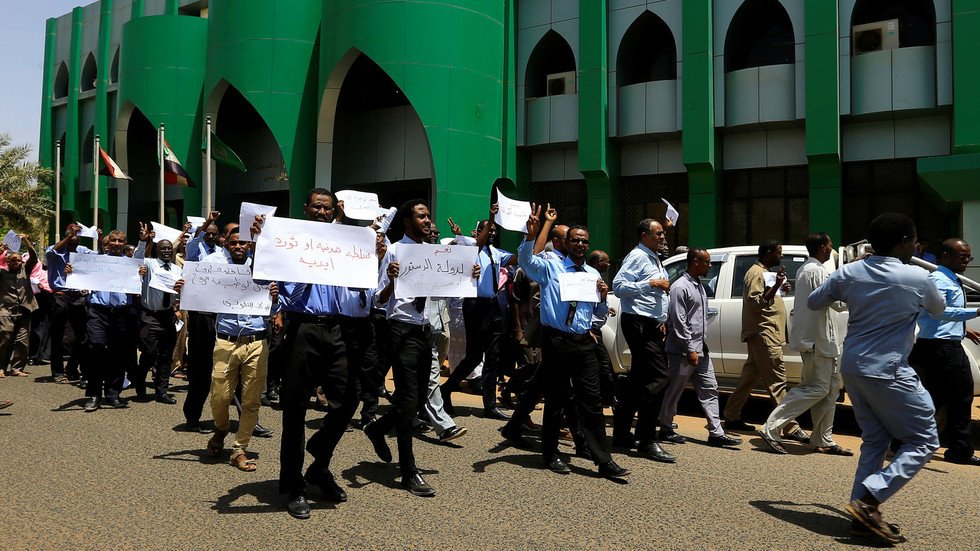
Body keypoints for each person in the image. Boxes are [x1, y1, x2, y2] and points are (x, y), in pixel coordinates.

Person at [809, 212, 945, 545]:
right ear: (905, 242)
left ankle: (861, 519)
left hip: (853, 366)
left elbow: (815, 302)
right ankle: (869, 501)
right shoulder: (918, 276)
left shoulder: (849, 271)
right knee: (924, 440)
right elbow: (938, 309)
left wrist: (850, 285)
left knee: (875, 440)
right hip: (888, 369)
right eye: (914, 242)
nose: (916, 247)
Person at [365, 198, 480, 497]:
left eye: (428, 216)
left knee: (417, 399)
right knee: (407, 399)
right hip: (400, 329)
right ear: (407, 221)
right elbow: (377, 298)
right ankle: (408, 471)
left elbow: (447, 289)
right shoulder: (394, 251)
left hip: (425, 329)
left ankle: (378, 428)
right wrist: (392, 281)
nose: (428, 221)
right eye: (421, 216)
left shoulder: (434, 253)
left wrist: (468, 276)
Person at [256, 189, 355, 519]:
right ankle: (294, 486)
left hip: (336, 327)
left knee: (347, 401)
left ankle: (319, 463)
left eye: (327, 208)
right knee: (295, 409)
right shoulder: (288, 242)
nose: (322, 212)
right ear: (306, 208)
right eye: (316, 206)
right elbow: (278, 293)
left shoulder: (343, 243)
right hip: (302, 328)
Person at [513, 203, 629, 478]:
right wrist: (532, 234)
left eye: (584, 241)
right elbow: (526, 262)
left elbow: (597, 314)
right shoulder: (551, 267)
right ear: (566, 243)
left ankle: (603, 460)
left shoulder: (592, 274)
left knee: (591, 400)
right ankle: (551, 453)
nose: (579, 245)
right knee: (556, 399)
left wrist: (602, 298)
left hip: (584, 342)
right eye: (575, 240)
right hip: (557, 341)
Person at [175, 228, 279, 471]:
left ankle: (239, 448)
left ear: (249, 245)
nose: (238, 246)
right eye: (234, 243)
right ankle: (221, 429)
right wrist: (184, 290)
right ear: (226, 245)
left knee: (252, 400)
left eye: (243, 243)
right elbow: (200, 299)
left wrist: (275, 299)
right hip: (226, 341)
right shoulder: (216, 269)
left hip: (256, 341)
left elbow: (275, 308)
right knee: (219, 396)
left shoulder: (262, 269)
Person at [757, 233, 851, 455]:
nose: (831, 250)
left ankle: (823, 439)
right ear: (822, 247)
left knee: (830, 390)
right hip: (817, 340)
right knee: (816, 388)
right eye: (829, 246)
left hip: (824, 341)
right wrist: (858, 297)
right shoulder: (815, 271)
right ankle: (771, 428)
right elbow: (833, 302)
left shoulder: (810, 269)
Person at [723, 240, 808, 443]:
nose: (781, 255)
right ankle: (790, 427)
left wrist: (781, 288)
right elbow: (755, 303)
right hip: (764, 334)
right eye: (779, 252)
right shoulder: (756, 273)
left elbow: (768, 298)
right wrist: (776, 285)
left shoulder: (766, 273)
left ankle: (731, 416)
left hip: (767, 333)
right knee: (777, 381)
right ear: (768, 252)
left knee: (748, 380)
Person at [659, 248, 742, 448]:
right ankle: (666, 427)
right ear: (695, 262)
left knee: (710, 388)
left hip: (700, 349)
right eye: (707, 262)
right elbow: (679, 322)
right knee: (675, 390)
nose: (709, 266)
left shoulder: (699, 286)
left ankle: (716, 433)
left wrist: (697, 348)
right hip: (683, 350)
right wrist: (689, 349)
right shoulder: (680, 287)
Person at [909, 238, 980, 466]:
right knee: (958, 397)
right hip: (941, 348)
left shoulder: (949, 278)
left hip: (939, 345)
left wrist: (963, 329)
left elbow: (939, 316)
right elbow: (937, 311)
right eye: (962, 257)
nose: (966, 261)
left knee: (936, 399)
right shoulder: (939, 280)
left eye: (969, 257)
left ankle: (904, 444)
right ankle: (959, 450)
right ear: (946, 256)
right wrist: (975, 312)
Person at [610, 219, 675, 463]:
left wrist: (660, 318)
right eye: (658, 233)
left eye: (663, 233)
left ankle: (621, 433)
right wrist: (651, 283)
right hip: (637, 323)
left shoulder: (654, 257)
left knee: (638, 379)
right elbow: (619, 287)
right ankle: (647, 439)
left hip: (650, 324)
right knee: (659, 378)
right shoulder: (637, 256)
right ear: (645, 235)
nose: (663, 237)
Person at [441, 207, 515, 420]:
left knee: (493, 357)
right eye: (487, 229)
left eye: (494, 230)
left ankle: (489, 406)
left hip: (493, 306)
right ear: (479, 232)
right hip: (475, 306)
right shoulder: (471, 249)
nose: (492, 232)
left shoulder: (497, 253)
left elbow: (520, 259)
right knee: (473, 357)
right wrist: (491, 218)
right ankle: (446, 389)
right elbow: (478, 243)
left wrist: (530, 235)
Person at [69, 230, 142, 411]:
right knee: (96, 348)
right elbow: (76, 277)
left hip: (121, 313)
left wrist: (141, 274)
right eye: (114, 240)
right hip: (98, 312)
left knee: (118, 353)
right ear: (108, 243)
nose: (117, 243)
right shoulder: (95, 262)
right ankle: (94, 394)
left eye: (121, 241)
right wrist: (71, 272)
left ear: (125, 243)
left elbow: (139, 285)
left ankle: (113, 394)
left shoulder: (132, 265)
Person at [45, 224, 94, 383]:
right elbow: (51, 252)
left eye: (76, 241)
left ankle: (72, 368)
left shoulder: (82, 251)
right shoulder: (55, 251)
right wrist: (67, 238)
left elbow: (99, 258)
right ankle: (58, 372)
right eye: (71, 241)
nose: (74, 245)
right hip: (60, 297)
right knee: (58, 336)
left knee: (82, 336)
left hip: (78, 297)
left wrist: (99, 239)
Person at [136, 239, 179, 404]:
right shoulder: (149, 264)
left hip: (168, 315)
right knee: (150, 353)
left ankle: (162, 392)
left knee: (166, 356)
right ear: (157, 250)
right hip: (150, 315)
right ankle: (140, 381)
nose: (167, 251)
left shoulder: (177, 269)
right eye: (163, 248)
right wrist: (143, 241)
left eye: (169, 248)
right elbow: (137, 258)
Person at [0, 237, 39, 377]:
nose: (16, 262)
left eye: (18, 260)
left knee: (22, 341)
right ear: (7, 262)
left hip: (24, 310)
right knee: (5, 338)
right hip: (5, 311)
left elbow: (33, 258)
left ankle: (17, 368)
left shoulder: (25, 271)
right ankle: (1, 367)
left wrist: (26, 241)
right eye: (13, 260)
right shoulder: (2, 273)